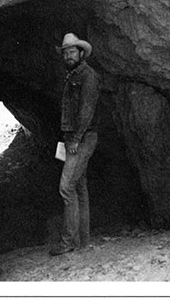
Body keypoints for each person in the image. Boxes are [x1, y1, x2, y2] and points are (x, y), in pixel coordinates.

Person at [50, 33, 101, 256]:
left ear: (81, 53)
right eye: (65, 53)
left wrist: (76, 139)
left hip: (82, 137)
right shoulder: (73, 75)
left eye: (72, 52)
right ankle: (83, 240)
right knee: (79, 186)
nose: (68, 56)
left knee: (66, 187)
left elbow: (86, 111)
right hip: (76, 136)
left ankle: (69, 241)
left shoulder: (87, 76)